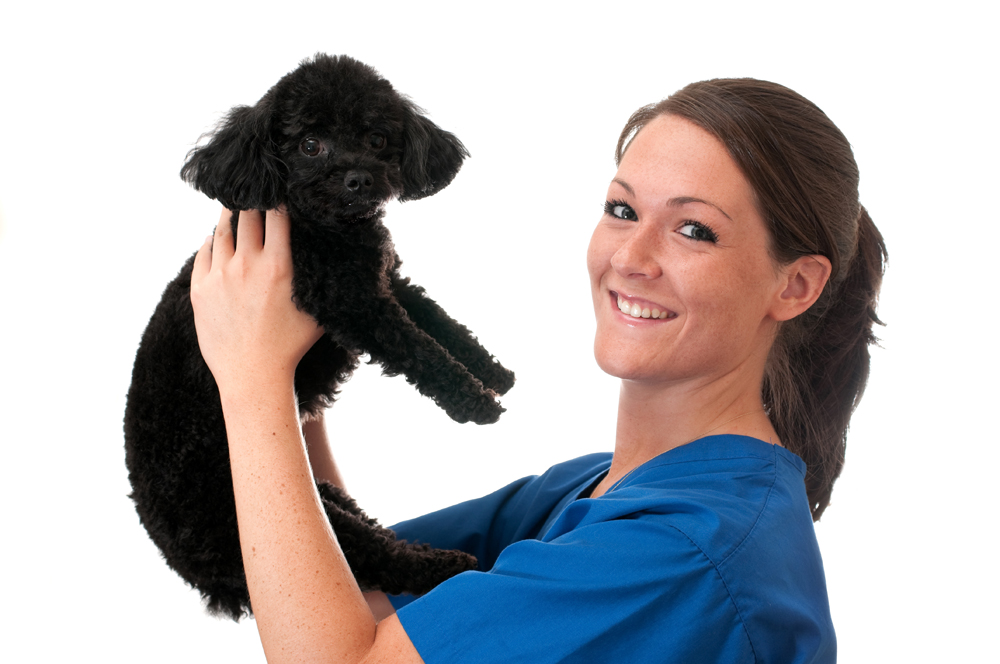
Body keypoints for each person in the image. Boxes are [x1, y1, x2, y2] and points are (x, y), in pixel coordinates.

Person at [189, 78, 886, 663]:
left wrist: (252, 376)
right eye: (622, 210)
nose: (631, 258)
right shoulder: (589, 489)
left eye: (692, 229)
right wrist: (296, 372)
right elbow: (341, 592)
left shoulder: (684, 550)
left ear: (794, 286)